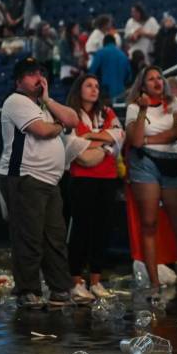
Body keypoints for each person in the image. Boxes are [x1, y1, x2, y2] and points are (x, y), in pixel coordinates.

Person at [0, 57, 79, 308]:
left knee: (55, 236)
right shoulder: (16, 101)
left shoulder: (43, 105)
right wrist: (57, 124)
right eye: (31, 74)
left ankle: (59, 289)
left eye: (40, 73)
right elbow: (42, 131)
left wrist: (49, 100)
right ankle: (27, 290)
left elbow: (73, 120)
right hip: (25, 176)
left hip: (49, 180)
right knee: (28, 237)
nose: (38, 78)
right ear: (18, 81)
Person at [126, 66, 177, 289]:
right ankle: (154, 284)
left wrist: (150, 140)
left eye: (159, 78)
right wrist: (142, 111)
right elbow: (136, 141)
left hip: (171, 161)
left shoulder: (175, 104)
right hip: (144, 163)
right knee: (149, 224)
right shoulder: (133, 107)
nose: (157, 82)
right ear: (142, 85)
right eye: (151, 79)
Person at [64, 74, 124, 303]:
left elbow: (119, 136)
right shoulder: (70, 114)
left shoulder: (106, 112)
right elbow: (79, 154)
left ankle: (96, 281)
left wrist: (88, 138)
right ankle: (77, 281)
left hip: (108, 178)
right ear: (79, 89)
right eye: (89, 85)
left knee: (103, 229)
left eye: (97, 86)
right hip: (81, 179)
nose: (94, 89)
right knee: (81, 229)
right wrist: (105, 143)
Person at [89, 34, 131, 102]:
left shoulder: (100, 53)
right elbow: (128, 76)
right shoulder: (123, 55)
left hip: (105, 93)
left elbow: (91, 72)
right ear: (115, 43)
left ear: (103, 43)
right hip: (121, 93)